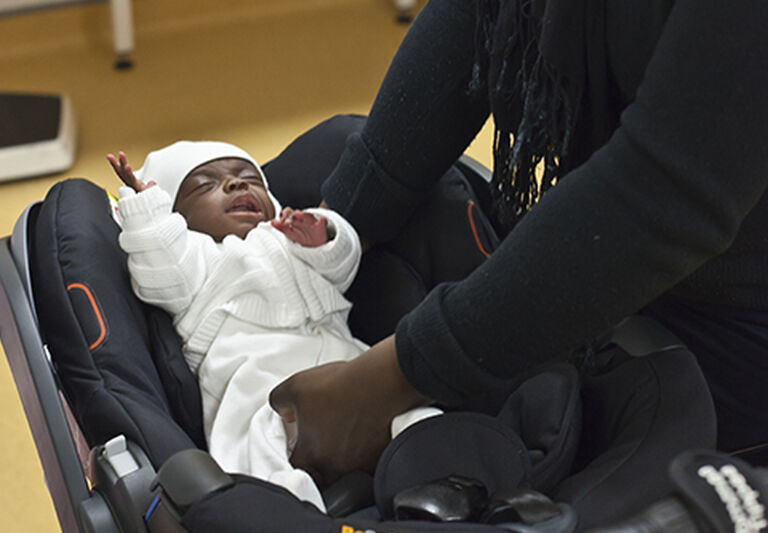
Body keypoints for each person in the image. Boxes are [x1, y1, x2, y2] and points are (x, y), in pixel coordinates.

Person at [269, 0, 768, 520]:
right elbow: (477, 18)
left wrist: (396, 378)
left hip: (731, 334)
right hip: (602, 238)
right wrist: (336, 232)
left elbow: (665, 193)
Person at [107, 141, 441, 512]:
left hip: (345, 371)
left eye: (249, 179)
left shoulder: (287, 235)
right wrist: (146, 209)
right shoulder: (195, 259)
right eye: (205, 185)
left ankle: (442, 490)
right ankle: (297, 516)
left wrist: (324, 239)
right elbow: (158, 267)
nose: (237, 185)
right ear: (176, 217)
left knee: (418, 419)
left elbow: (342, 266)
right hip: (260, 391)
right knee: (258, 464)